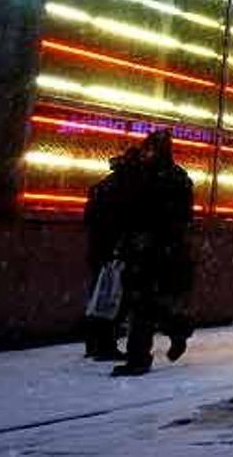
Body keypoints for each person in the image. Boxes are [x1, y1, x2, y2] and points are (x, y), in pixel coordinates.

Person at [113, 130, 194, 377]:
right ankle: (170, 333)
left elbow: (135, 210)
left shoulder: (157, 176)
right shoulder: (172, 177)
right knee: (146, 303)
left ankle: (140, 356)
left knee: (144, 303)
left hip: (154, 251)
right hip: (155, 250)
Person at [82, 145, 141, 361]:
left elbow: (88, 219)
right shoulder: (127, 188)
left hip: (99, 249)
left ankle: (92, 343)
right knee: (113, 299)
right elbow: (128, 221)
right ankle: (106, 345)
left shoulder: (103, 185)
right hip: (115, 252)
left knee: (97, 296)